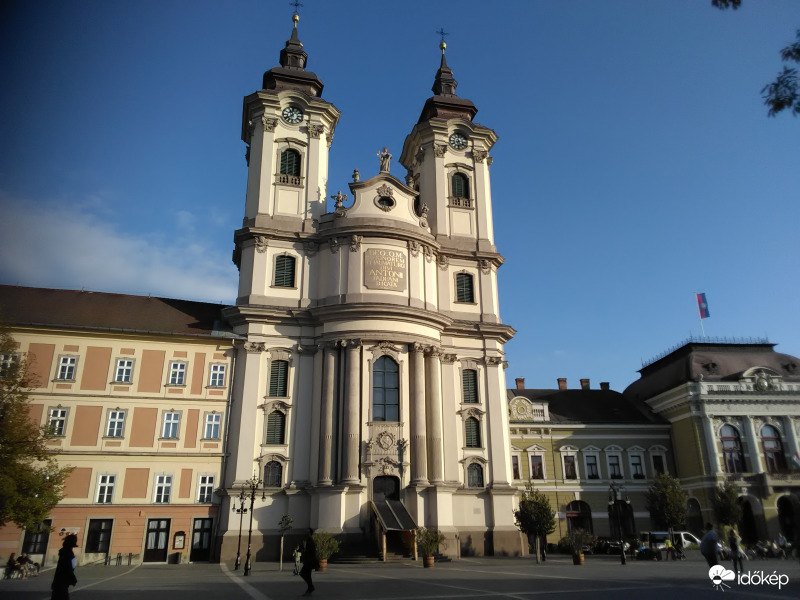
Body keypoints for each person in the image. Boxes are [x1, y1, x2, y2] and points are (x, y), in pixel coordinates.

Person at [51, 534, 78, 600]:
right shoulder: (68, 552)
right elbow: (69, 566)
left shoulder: (65, 551)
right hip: (63, 579)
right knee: (61, 596)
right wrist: (72, 577)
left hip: (60, 579)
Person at [300, 530, 317, 596]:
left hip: (309, 561)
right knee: (308, 575)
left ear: (309, 533)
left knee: (303, 573)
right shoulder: (309, 540)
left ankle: (310, 587)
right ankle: (310, 588)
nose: (305, 533)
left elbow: (310, 551)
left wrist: (303, 550)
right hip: (310, 561)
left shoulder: (310, 540)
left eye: (307, 532)